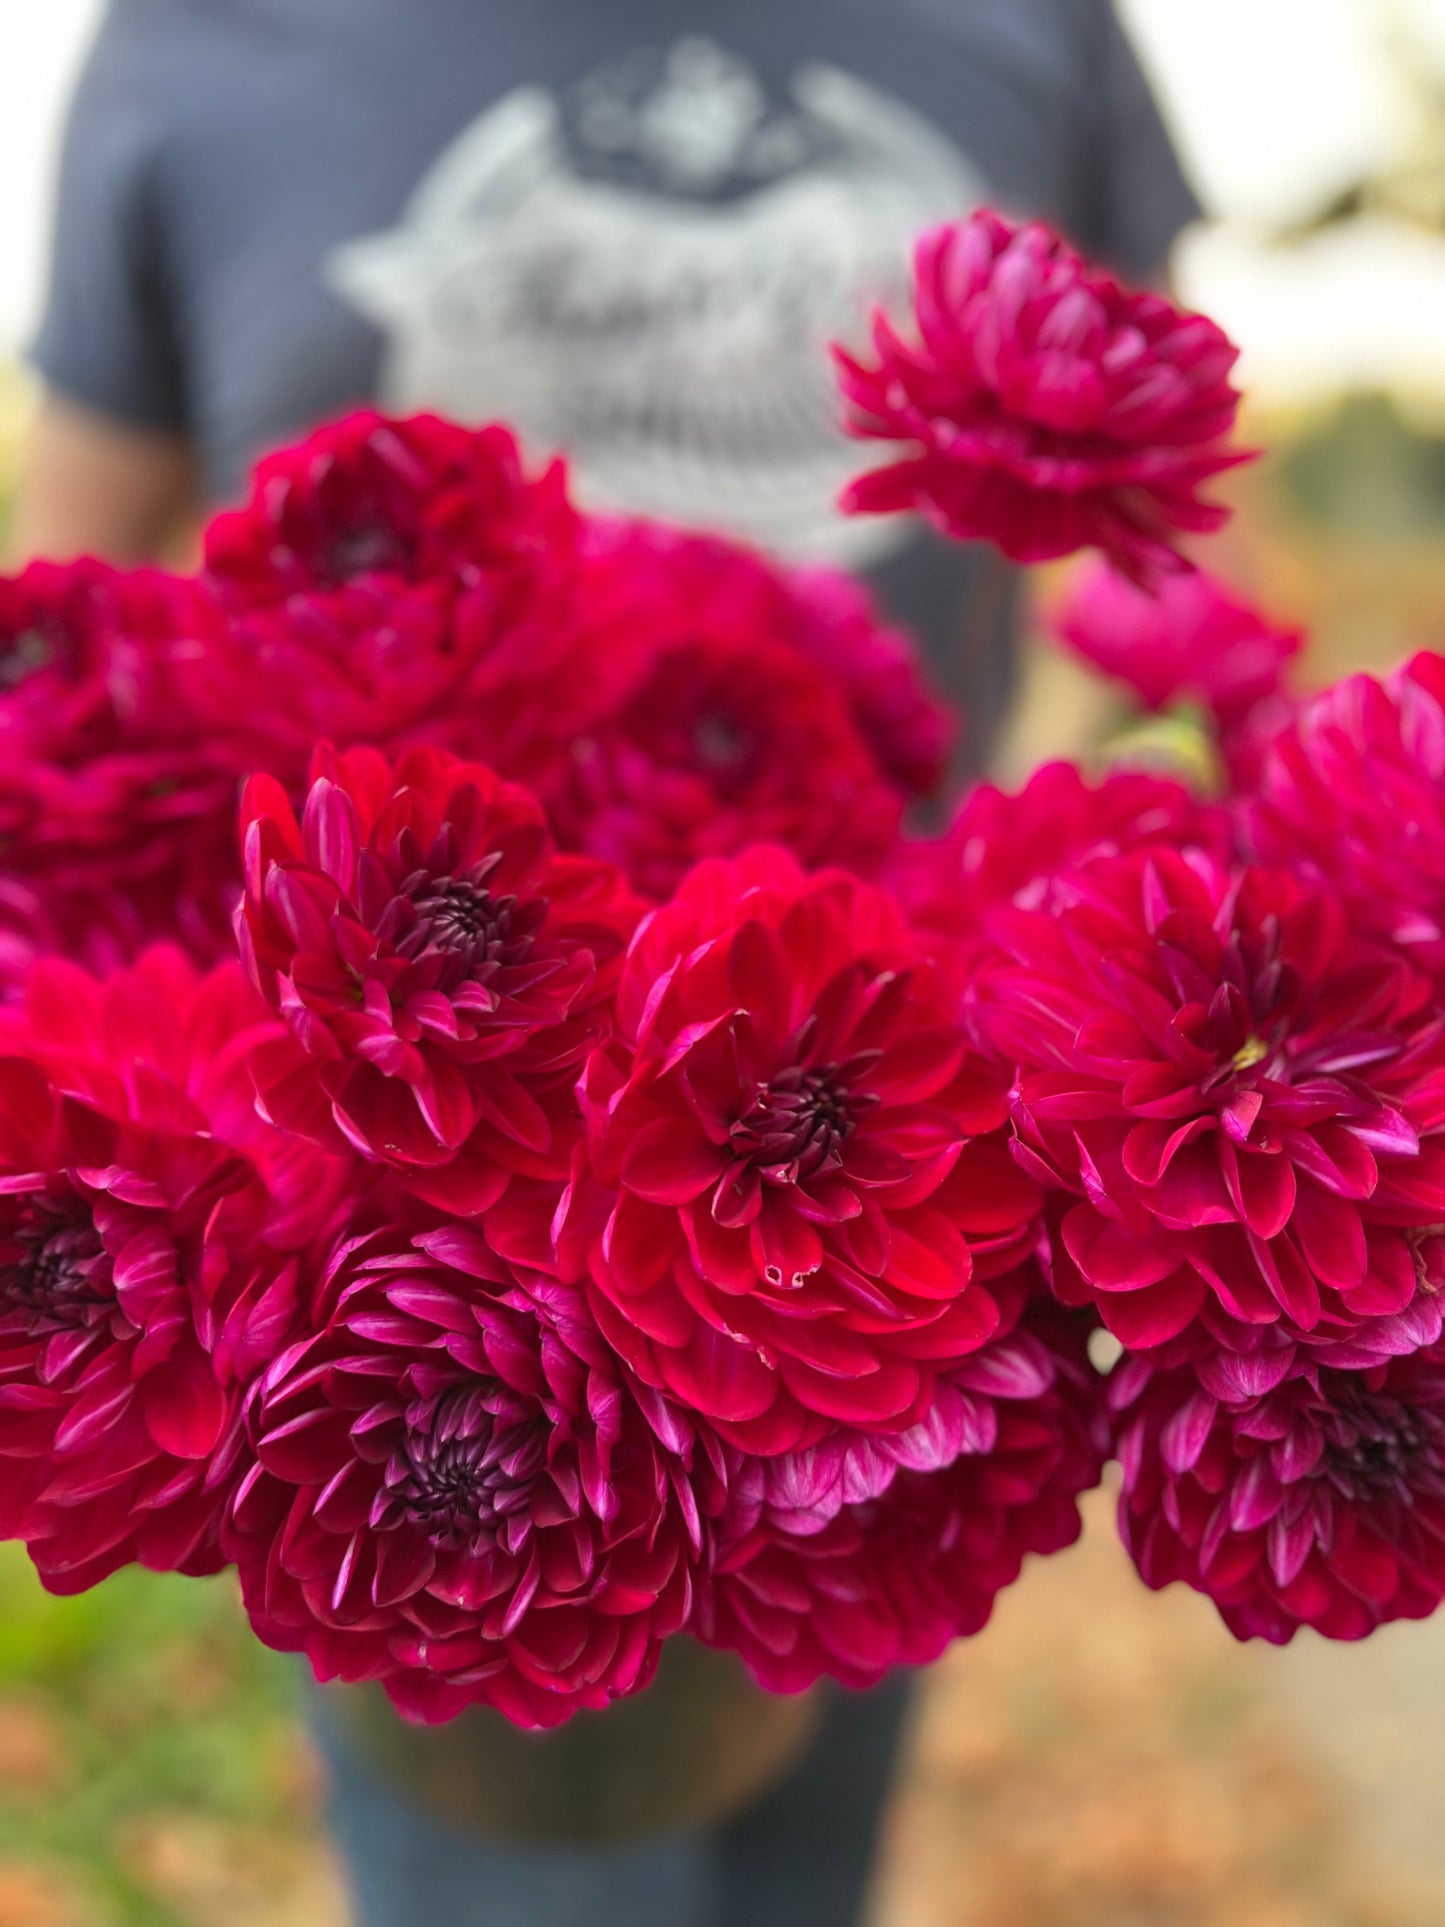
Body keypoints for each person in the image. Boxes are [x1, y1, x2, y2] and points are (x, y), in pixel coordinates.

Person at [14, 5, 1200, 1922]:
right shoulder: (192, 43)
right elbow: (67, 619)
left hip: (907, 1212)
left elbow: (1151, 565)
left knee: (802, 1853)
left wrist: (1152, 884)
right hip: (376, 1225)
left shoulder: (1031, 23)